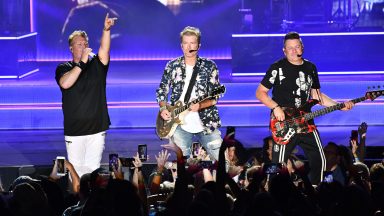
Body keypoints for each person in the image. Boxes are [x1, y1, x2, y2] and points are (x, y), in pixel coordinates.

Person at [256, 31, 354, 185]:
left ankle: (317, 192)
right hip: (284, 123)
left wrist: (340, 106)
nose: (294, 51)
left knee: (319, 160)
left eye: (297, 47)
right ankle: (273, 194)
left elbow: (317, 96)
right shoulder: (277, 68)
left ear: (302, 47)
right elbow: (260, 93)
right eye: (290, 48)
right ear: (284, 51)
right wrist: (275, 107)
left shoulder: (310, 68)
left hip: (305, 122)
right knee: (278, 165)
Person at [55, 13, 117, 177]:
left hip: (96, 129)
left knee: (93, 172)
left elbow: (105, 49)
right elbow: (66, 83)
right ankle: (77, 200)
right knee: (75, 172)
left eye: (85, 43)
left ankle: (91, 202)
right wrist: (81, 63)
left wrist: (106, 30)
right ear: (71, 48)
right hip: (75, 130)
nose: (83, 46)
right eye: (79, 44)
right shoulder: (64, 68)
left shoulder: (97, 64)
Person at [156, 26, 223, 161]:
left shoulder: (209, 66)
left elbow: (215, 97)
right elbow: (162, 91)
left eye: (192, 43)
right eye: (186, 43)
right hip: (178, 123)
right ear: (181, 46)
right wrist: (163, 108)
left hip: (206, 121)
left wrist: (201, 105)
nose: (189, 47)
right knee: (182, 165)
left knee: (221, 161)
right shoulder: (172, 65)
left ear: (199, 45)